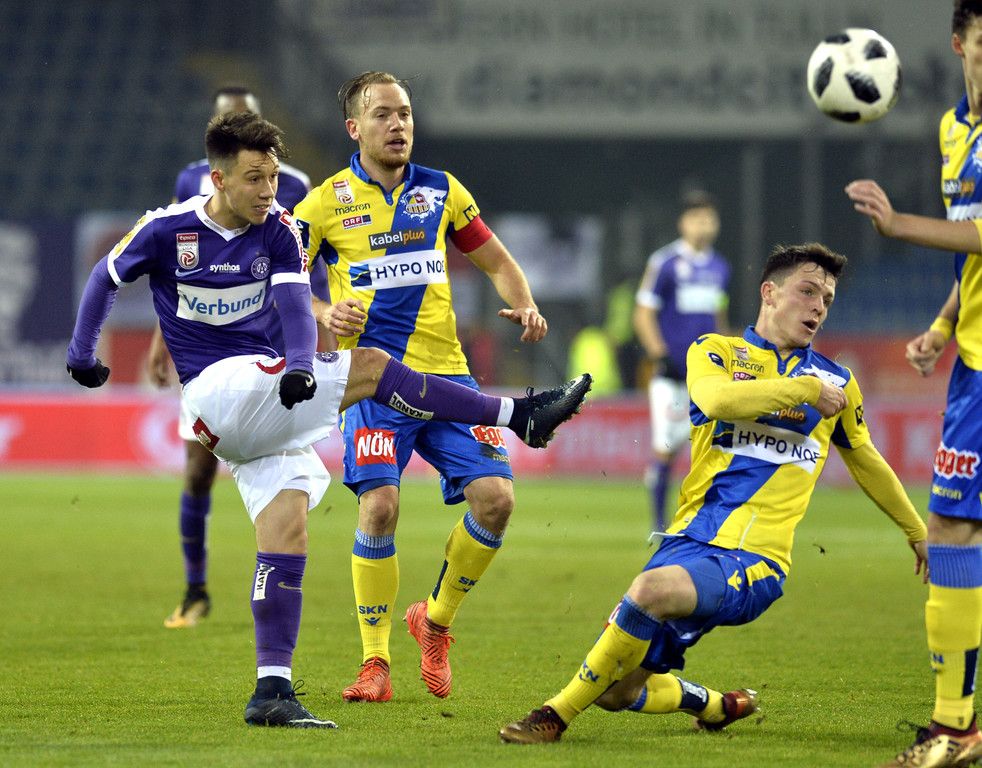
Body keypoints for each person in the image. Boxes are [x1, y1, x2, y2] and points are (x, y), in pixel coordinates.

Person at [66, 110, 592, 728]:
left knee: (287, 531)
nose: (269, 191)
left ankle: (272, 691)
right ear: (219, 179)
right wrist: (82, 354)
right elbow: (105, 276)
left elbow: (295, 306)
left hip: (261, 402)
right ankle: (518, 414)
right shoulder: (166, 228)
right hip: (214, 391)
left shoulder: (278, 231)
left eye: (273, 178)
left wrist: (298, 364)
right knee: (371, 364)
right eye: (255, 179)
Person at [498, 243, 928, 745]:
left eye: (827, 300)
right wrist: (804, 392)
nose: (818, 307)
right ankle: (718, 705)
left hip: (756, 558)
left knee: (649, 591)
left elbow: (866, 459)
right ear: (770, 293)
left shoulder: (838, 381)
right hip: (687, 541)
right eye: (808, 292)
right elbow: (715, 399)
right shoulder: (716, 351)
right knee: (617, 690)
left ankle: (552, 717)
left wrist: (917, 531)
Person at [293, 71, 553, 704]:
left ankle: (434, 621)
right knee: (380, 507)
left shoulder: (442, 190)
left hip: (447, 379)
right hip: (373, 385)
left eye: (405, 113)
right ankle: (375, 662)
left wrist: (523, 301)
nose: (398, 124)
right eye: (383, 114)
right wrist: (325, 312)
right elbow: (287, 285)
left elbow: (495, 259)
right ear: (354, 128)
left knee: (497, 500)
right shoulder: (322, 205)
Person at [845, 5, 982, 765]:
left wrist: (899, 226)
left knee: (952, 529)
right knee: (957, 529)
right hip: (972, 359)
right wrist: (942, 321)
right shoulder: (953, 130)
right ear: (960, 43)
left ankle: (956, 727)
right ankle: (958, 724)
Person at [147, 86, 325, 631]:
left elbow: (308, 266)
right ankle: (195, 588)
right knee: (199, 471)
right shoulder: (190, 181)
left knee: (276, 475)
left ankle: (274, 576)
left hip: (268, 343)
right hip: (203, 354)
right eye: (227, 116)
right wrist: (160, 340)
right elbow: (173, 269)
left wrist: (318, 321)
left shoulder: (293, 185)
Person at [633, 191, 730, 533]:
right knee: (667, 447)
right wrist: (660, 354)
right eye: (697, 219)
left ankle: (701, 524)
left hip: (708, 376)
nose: (704, 225)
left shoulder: (720, 267)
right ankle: (659, 525)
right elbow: (643, 314)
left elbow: (719, 316)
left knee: (710, 449)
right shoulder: (666, 263)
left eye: (709, 219)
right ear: (683, 223)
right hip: (672, 374)